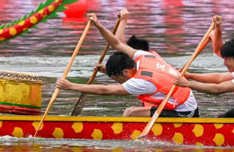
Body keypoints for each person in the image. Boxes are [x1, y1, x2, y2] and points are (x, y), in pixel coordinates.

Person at [55, 13, 199, 118]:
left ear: (124, 72)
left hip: (186, 113)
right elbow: (117, 43)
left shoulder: (141, 82)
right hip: (184, 102)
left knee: (130, 112)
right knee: (144, 106)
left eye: (115, 78)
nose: (117, 82)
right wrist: (98, 25)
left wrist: (70, 86)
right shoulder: (145, 56)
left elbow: (105, 90)